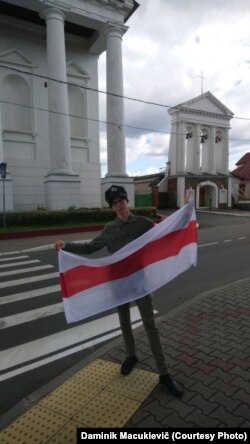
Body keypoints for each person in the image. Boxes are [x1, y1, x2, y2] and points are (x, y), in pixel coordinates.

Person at [54, 185, 183, 398]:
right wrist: (65, 246)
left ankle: (164, 373)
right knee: (124, 320)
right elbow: (90, 248)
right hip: (118, 283)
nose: (119, 205)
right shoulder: (109, 228)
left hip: (140, 282)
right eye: (114, 203)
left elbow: (164, 233)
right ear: (112, 207)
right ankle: (131, 356)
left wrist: (185, 212)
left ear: (127, 201)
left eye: (121, 200)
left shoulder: (142, 223)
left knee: (150, 325)